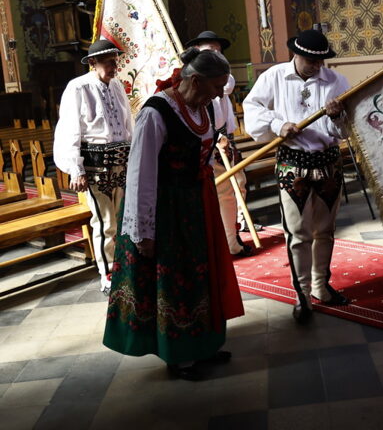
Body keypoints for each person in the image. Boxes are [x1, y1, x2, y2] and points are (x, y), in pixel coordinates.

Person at [103, 48, 244, 381]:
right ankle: (178, 355)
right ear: (195, 81)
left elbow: (202, 154)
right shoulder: (156, 113)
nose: (219, 95)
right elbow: (140, 176)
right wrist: (143, 232)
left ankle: (204, 344)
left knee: (201, 276)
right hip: (165, 210)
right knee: (174, 281)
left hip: (197, 205)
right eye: (216, 86)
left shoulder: (205, 106)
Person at [243, 29, 350, 323]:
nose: (316, 66)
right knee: (298, 233)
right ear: (296, 54)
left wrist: (337, 116)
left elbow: (347, 129)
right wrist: (278, 125)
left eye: (320, 61)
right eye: (311, 60)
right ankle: (302, 294)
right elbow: (252, 108)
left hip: (328, 163)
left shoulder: (336, 81)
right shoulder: (274, 76)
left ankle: (321, 287)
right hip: (293, 164)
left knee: (325, 230)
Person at [54, 38, 133, 295]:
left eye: (115, 61)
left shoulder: (117, 85)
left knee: (123, 219)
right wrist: (76, 169)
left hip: (120, 162)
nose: (114, 66)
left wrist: (133, 156)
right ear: (92, 62)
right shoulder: (78, 87)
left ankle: (124, 267)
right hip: (95, 166)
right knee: (106, 221)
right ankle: (107, 273)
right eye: (108, 62)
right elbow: (69, 129)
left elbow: (127, 123)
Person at [186, 30, 251, 256]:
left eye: (217, 50)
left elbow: (227, 84)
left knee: (234, 187)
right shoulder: (193, 79)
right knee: (220, 192)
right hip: (205, 141)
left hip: (222, 137)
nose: (215, 54)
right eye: (209, 50)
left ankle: (232, 237)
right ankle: (225, 242)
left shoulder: (223, 75)